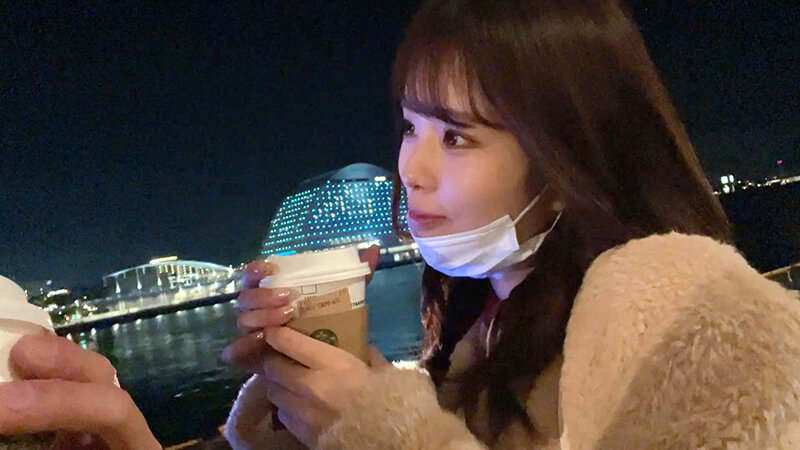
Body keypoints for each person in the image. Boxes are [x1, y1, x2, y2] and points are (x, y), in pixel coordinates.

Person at [2, 0, 798, 449]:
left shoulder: (693, 313)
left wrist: (375, 426)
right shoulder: (483, 330)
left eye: (456, 137)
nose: (410, 168)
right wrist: (295, 405)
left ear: (567, 158)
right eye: (412, 126)